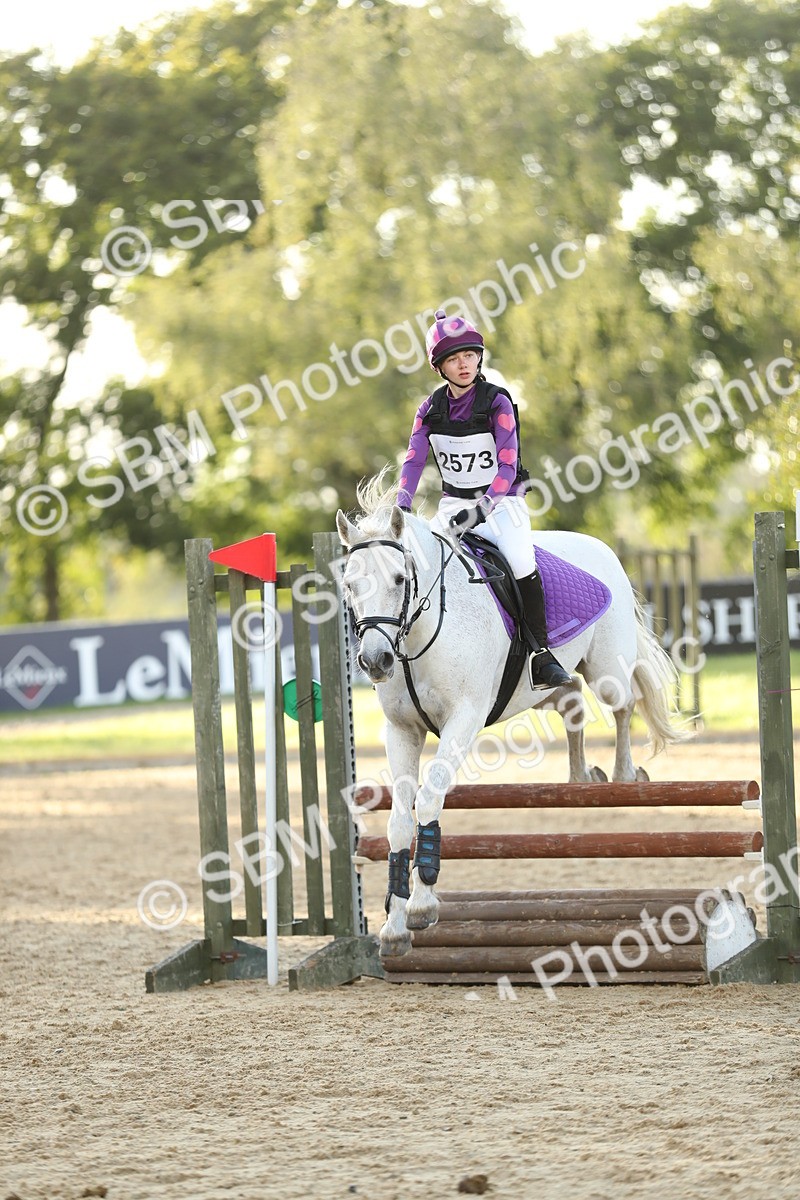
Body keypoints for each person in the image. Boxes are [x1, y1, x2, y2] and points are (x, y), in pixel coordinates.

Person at [396, 307, 572, 690]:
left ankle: (541, 654)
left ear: (479, 357)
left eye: (469, 355)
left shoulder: (497, 402)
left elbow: (507, 467)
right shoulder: (428, 410)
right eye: (453, 359)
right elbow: (413, 461)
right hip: (453, 505)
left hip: (502, 503)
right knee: (421, 562)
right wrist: (402, 506)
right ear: (440, 367)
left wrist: (482, 509)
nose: (463, 364)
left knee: (520, 560)